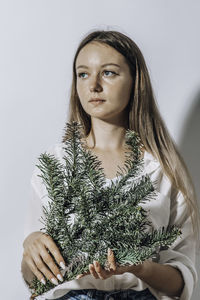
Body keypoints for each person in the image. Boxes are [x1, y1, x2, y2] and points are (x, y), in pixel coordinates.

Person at [21, 30, 199, 300]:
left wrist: (140, 267)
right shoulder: (55, 164)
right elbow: (34, 280)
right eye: (83, 74)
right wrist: (30, 246)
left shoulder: (162, 169)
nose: (93, 85)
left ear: (135, 81)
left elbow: (183, 282)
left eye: (108, 73)